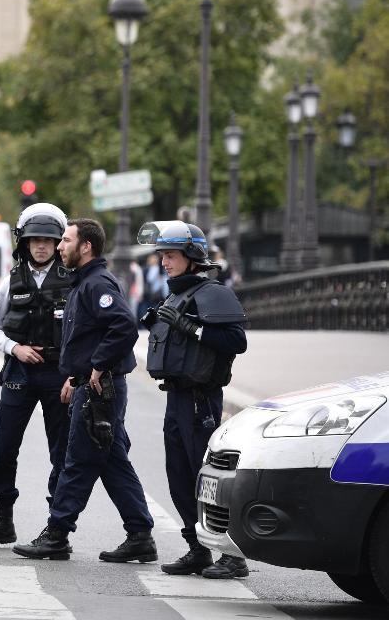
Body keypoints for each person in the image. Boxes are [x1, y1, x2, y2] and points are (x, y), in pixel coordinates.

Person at [13, 218, 157, 563]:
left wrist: (96, 366)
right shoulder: (84, 282)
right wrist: (77, 375)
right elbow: (90, 337)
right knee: (112, 461)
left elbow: (123, 326)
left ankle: (57, 534)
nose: (60, 246)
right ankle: (140, 534)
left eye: (65, 240)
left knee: (76, 460)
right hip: (91, 384)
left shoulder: (97, 283)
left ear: (86, 246)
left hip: (100, 388)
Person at [138, 221, 248, 579]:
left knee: (208, 479)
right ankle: (198, 548)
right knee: (178, 476)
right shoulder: (177, 294)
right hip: (177, 397)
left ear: (191, 256)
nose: (164, 263)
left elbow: (236, 341)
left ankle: (232, 555)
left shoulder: (212, 293)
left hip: (200, 399)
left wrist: (191, 328)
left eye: (170, 256)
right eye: (162, 256)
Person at [0, 203, 72, 548]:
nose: (41, 246)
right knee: (4, 445)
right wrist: (15, 348)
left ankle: (56, 528)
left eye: (48, 240)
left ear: (58, 242)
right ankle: (3, 520)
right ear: (24, 243)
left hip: (59, 374)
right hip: (20, 372)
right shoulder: (11, 281)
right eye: (35, 240)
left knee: (61, 451)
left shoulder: (73, 281)